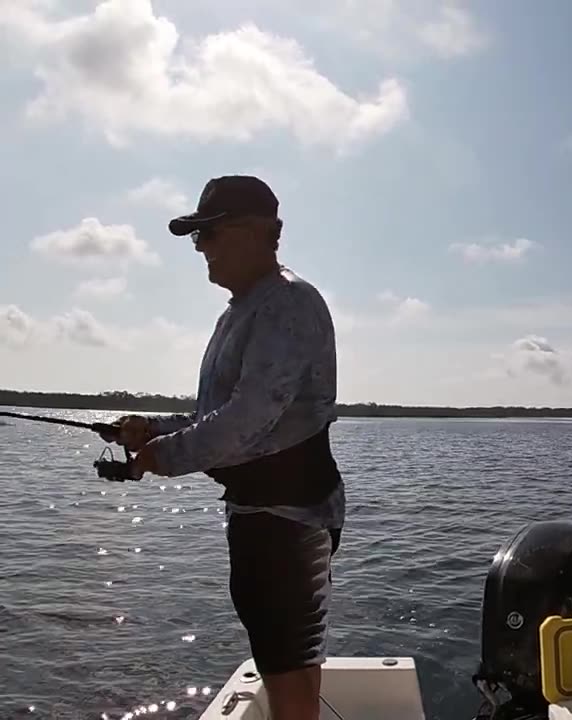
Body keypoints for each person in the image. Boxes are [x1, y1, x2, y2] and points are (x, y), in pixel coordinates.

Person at [101, 175, 345, 720]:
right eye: (196, 238)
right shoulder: (240, 310)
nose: (200, 249)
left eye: (208, 234)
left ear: (258, 233)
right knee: (287, 655)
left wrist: (164, 457)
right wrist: (153, 429)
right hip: (264, 513)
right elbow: (216, 419)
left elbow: (250, 419)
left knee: (287, 661)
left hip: (289, 517)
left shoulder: (287, 303)